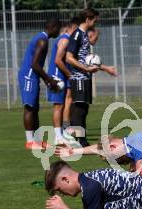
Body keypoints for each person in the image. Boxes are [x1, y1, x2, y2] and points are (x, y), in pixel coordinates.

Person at [66, 8, 117, 147]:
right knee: (79, 109)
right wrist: (86, 69)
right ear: (87, 19)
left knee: (84, 109)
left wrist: (105, 68)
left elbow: (86, 59)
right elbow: (69, 58)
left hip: (85, 77)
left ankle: (82, 140)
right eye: (95, 20)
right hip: (79, 78)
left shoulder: (84, 35)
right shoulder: (77, 35)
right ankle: (76, 140)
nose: (96, 22)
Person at [18, 18, 61, 150]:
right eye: (58, 28)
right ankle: (30, 142)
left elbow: (37, 65)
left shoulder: (43, 39)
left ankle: (36, 140)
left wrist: (46, 80)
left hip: (33, 76)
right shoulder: (42, 41)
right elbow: (34, 65)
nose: (59, 31)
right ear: (53, 27)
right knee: (29, 107)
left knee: (35, 108)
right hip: (29, 76)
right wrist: (50, 80)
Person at [47, 17, 80, 144]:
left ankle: (64, 132)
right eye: (76, 30)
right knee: (58, 106)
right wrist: (69, 75)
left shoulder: (69, 40)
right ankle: (57, 136)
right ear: (70, 28)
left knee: (67, 102)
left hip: (63, 76)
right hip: (57, 76)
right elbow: (57, 60)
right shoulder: (64, 40)